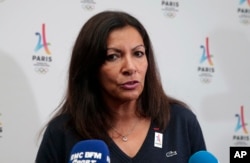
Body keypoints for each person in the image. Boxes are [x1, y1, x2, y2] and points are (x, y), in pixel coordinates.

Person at [35, 10, 206, 163]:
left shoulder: (181, 122)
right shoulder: (61, 133)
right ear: (90, 66)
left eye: (138, 53)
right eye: (113, 57)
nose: (130, 67)